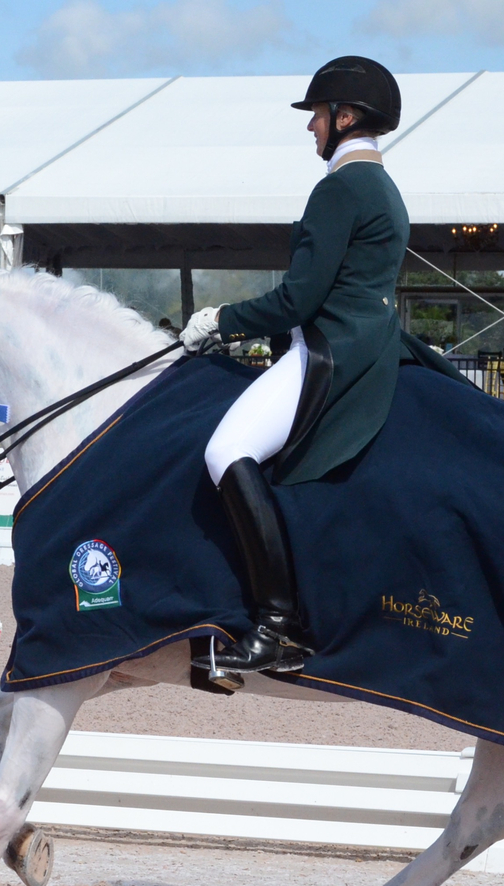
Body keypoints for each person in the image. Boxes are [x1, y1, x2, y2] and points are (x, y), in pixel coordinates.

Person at [178, 56, 466, 679]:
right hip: (365, 338)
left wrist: (220, 321)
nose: (310, 127)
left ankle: (276, 625)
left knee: (225, 450)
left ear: (345, 115)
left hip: (333, 348)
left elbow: (299, 298)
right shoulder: (380, 186)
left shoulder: (342, 188)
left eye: (315, 115)